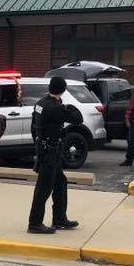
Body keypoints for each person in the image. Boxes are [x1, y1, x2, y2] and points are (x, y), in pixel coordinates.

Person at [27, 76, 83, 234]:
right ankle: (35, 223)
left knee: (60, 183)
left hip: (47, 149)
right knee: (44, 188)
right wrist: (70, 107)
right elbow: (78, 119)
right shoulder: (55, 108)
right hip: (50, 152)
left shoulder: (40, 103)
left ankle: (59, 218)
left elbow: (33, 126)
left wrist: (38, 143)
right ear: (63, 90)